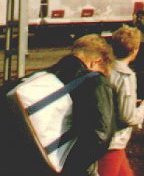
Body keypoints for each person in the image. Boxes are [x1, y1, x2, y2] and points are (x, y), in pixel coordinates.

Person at [4, 34, 115, 175]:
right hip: (53, 166)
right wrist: (70, 169)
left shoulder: (40, 76)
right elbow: (101, 135)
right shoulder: (94, 80)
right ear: (96, 62)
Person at [99, 26, 144, 176]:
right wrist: (143, 109)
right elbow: (127, 117)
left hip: (105, 138)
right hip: (113, 142)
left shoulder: (105, 69)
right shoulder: (126, 76)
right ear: (134, 50)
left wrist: (130, 102)